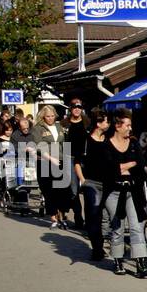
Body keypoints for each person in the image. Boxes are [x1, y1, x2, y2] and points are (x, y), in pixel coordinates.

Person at [98, 108, 147, 277]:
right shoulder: (106, 145)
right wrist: (127, 166)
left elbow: (139, 164)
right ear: (117, 126)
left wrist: (125, 167)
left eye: (131, 125)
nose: (130, 129)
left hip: (132, 190)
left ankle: (141, 262)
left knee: (137, 227)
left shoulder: (134, 143)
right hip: (113, 191)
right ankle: (118, 260)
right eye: (127, 125)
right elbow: (107, 170)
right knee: (117, 226)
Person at [77, 108, 111, 259]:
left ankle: (104, 242)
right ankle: (97, 247)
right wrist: (82, 180)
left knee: (107, 216)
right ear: (98, 123)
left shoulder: (109, 139)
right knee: (93, 215)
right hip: (92, 183)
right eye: (106, 121)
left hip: (108, 182)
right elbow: (77, 162)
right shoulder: (85, 140)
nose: (108, 124)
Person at [31, 104, 69, 228]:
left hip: (60, 159)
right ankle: (53, 215)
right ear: (43, 116)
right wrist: (50, 158)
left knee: (62, 188)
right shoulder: (38, 128)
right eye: (48, 116)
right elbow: (38, 145)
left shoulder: (59, 126)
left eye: (53, 116)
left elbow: (64, 143)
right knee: (49, 190)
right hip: (45, 161)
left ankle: (62, 214)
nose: (51, 118)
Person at [61, 98, 89, 230]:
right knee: (74, 190)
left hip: (85, 159)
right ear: (70, 108)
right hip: (70, 158)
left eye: (79, 106)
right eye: (74, 106)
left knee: (89, 188)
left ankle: (90, 219)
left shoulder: (87, 122)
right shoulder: (64, 124)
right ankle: (78, 216)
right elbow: (60, 142)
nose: (77, 108)